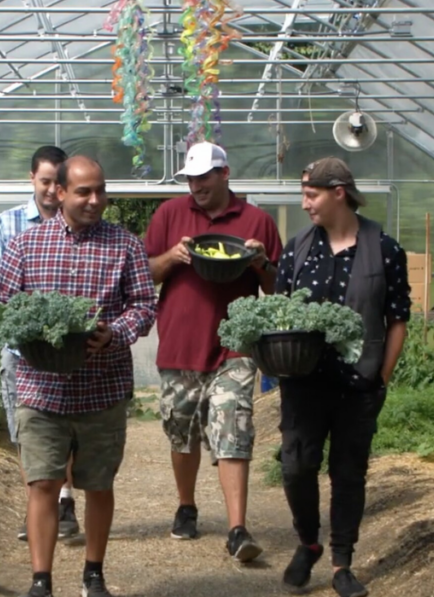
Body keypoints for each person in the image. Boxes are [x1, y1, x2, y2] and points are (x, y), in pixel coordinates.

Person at [0, 155, 157, 597]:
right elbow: (2, 304)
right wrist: (28, 333)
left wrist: (115, 332)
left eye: (100, 190)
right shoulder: (26, 244)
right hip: (40, 387)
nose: (95, 199)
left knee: (98, 485)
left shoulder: (125, 245)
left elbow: (143, 306)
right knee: (43, 482)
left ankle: (93, 575)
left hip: (101, 388)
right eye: (84, 191)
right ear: (59, 193)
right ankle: (41, 582)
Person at [274, 157, 410, 597]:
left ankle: (341, 563)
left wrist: (381, 377)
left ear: (338, 192)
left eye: (311, 194)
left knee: (348, 473)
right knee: (296, 467)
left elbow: (397, 319)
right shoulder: (297, 248)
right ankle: (308, 541)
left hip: (358, 385)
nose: (305, 203)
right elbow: (279, 314)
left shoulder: (384, 248)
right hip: (304, 382)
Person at [143, 141, 283, 562]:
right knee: (181, 432)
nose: (196, 186)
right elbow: (144, 270)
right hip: (180, 344)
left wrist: (259, 261)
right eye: (190, 178)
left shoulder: (257, 221)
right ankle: (186, 506)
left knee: (233, 430)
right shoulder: (169, 214)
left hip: (234, 348)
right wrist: (173, 256)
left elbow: (277, 289)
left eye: (204, 177)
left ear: (225, 174)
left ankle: (238, 529)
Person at [0, 145, 82, 542]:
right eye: (45, 181)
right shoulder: (10, 222)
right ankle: (38, 505)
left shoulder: (77, 224)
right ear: (32, 180)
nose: (53, 190)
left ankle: (65, 500)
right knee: (26, 430)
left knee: (65, 427)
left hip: (66, 347)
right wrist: (18, 294)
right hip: (21, 347)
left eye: (59, 181)